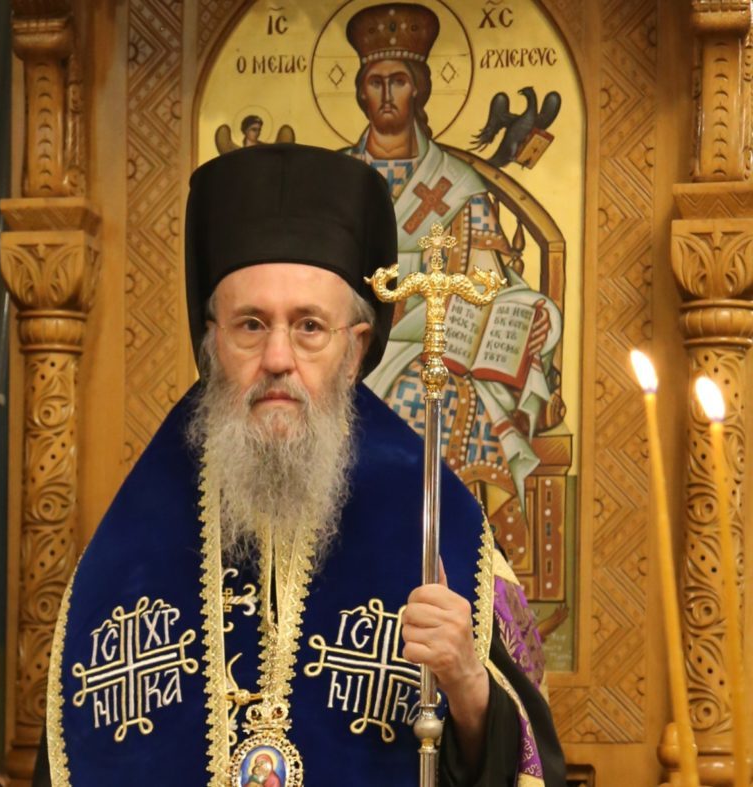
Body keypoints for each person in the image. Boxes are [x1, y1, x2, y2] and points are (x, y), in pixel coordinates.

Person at [35, 144, 565, 786]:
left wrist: (467, 685)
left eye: (309, 326)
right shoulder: (134, 535)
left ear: (355, 348)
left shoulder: (437, 520)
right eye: (250, 325)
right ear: (212, 341)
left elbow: (528, 765)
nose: (278, 357)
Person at [342, 2, 563, 509]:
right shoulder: (334, 182)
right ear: (361, 92)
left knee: (434, 394)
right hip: (343, 348)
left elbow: (490, 286)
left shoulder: (459, 186)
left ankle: (455, 544)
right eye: (376, 82)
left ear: (418, 89)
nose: (387, 95)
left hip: (439, 350)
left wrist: (534, 317)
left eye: (399, 81)